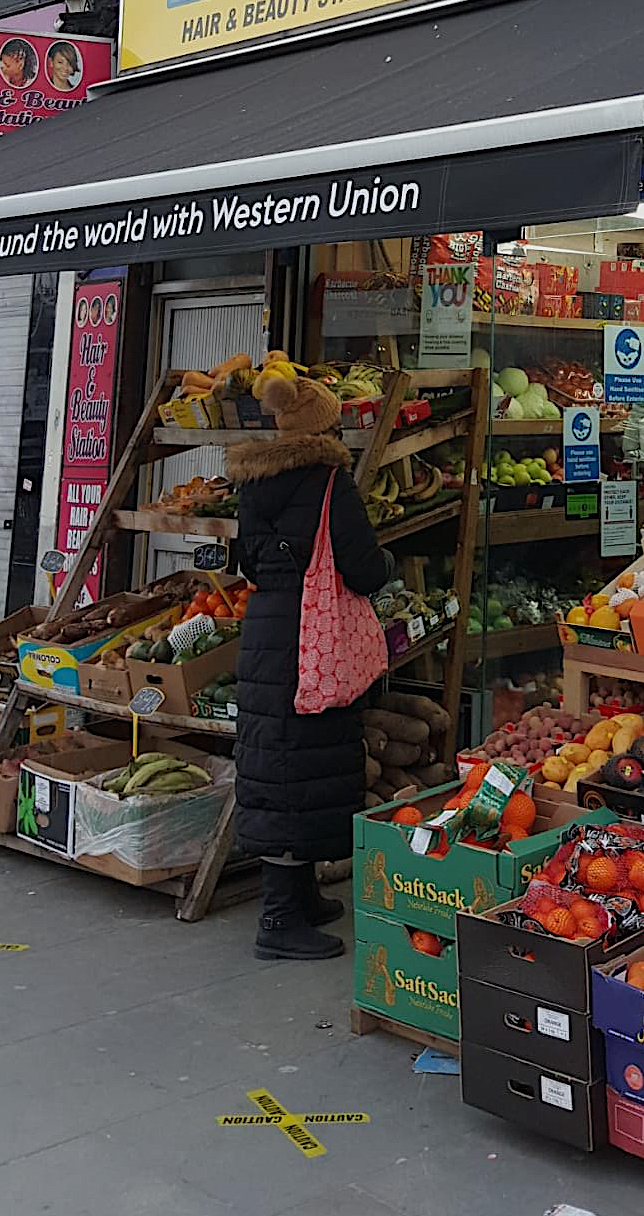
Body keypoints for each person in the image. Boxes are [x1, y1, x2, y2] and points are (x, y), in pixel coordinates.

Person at [226, 374, 389, 961]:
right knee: (301, 767)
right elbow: (364, 567)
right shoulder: (328, 482)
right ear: (325, 426)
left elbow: (248, 561)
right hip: (314, 643)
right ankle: (277, 918)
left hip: (270, 634)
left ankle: (298, 895)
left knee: (279, 762)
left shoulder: (254, 479)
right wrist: (387, 562)